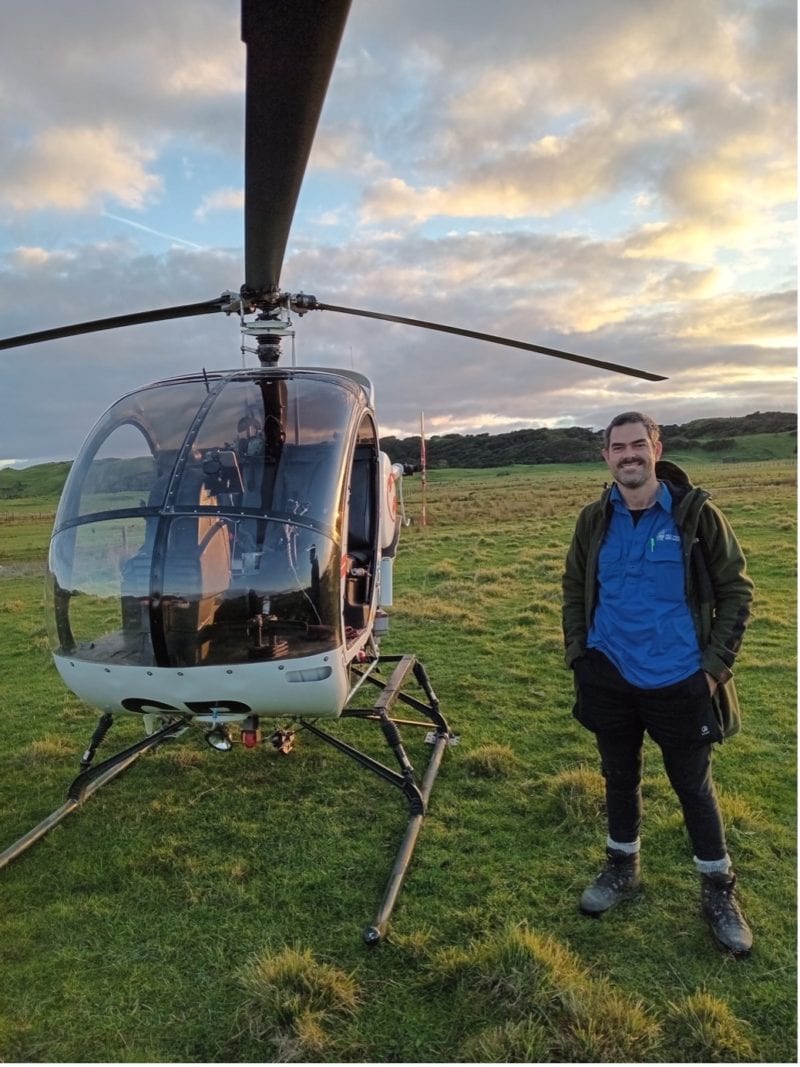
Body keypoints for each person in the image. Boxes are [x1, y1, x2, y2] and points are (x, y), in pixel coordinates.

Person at [562, 411, 754, 955]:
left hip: (680, 679)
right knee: (618, 777)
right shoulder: (594, 519)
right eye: (617, 447)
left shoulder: (696, 515)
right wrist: (580, 654)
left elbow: (737, 591)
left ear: (656, 447)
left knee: (693, 788)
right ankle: (621, 869)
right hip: (608, 675)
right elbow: (574, 586)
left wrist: (714, 670)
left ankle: (718, 892)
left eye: (637, 445)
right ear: (606, 456)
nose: (628, 455)